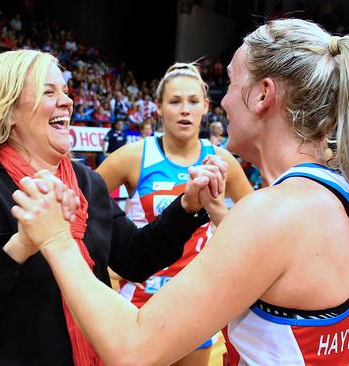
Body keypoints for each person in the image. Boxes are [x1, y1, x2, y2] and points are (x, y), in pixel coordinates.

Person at [8, 18, 349, 365]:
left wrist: (57, 239)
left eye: (229, 84)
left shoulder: (272, 214)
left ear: (263, 94)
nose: (222, 102)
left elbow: (132, 350)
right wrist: (218, 213)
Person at [0, 49, 225, 365]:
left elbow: (135, 258)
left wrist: (187, 206)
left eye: (65, 91)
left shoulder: (87, 183)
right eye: (49, 92)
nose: (67, 101)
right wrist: (21, 244)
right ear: (8, 110)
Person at [96, 63, 252, 366]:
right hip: (138, 304)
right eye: (175, 101)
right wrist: (108, 266)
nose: (185, 110)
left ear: (206, 106)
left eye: (193, 101)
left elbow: (255, 226)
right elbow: (84, 202)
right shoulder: (133, 156)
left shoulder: (222, 161)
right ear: (158, 107)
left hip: (194, 303)